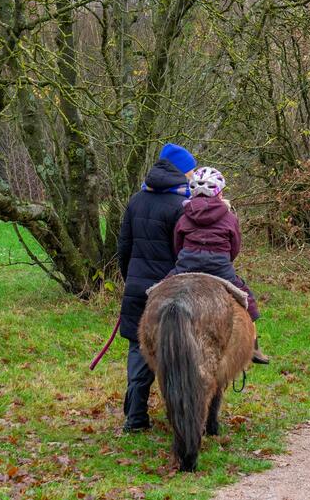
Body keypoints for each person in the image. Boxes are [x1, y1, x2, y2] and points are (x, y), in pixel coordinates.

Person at [117, 143, 197, 432]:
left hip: (138, 289)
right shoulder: (182, 207)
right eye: (190, 170)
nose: (192, 176)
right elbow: (184, 253)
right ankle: (180, 417)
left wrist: (132, 281)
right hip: (171, 290)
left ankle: (135, 417)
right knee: (176, 352)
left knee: (139, 349)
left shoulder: (136, 200)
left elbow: (123, 248)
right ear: (179, 170)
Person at [170, 166, 269, 364]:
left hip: (186, 267)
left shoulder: (183, 217)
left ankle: (149, 337)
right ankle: (254, 348)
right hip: (220, 270)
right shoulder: (230, 218)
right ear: (219, 192)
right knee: (247, 299)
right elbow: (234, 249)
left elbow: (177, 246)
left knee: (157, 293)